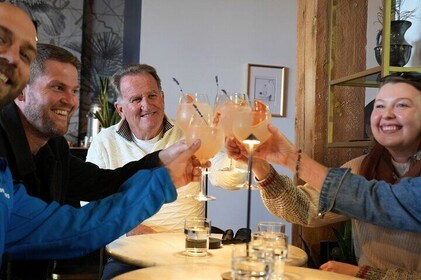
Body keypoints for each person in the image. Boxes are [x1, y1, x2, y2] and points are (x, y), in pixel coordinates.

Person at [0, 1, 202, 277]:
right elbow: (69, 230)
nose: (71, 101)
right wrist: (162, 181)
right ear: (22, 90)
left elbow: (105, 183)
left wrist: (159, 162)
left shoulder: (53, 148)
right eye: (57, 87)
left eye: (25, 54)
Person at [226, 74, 421, 279]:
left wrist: (365, 273)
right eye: (380, 106)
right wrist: (259, 165)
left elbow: (374, 199)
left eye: (402, 105)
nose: (387, 114)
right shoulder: (362, 167)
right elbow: (304, 208)